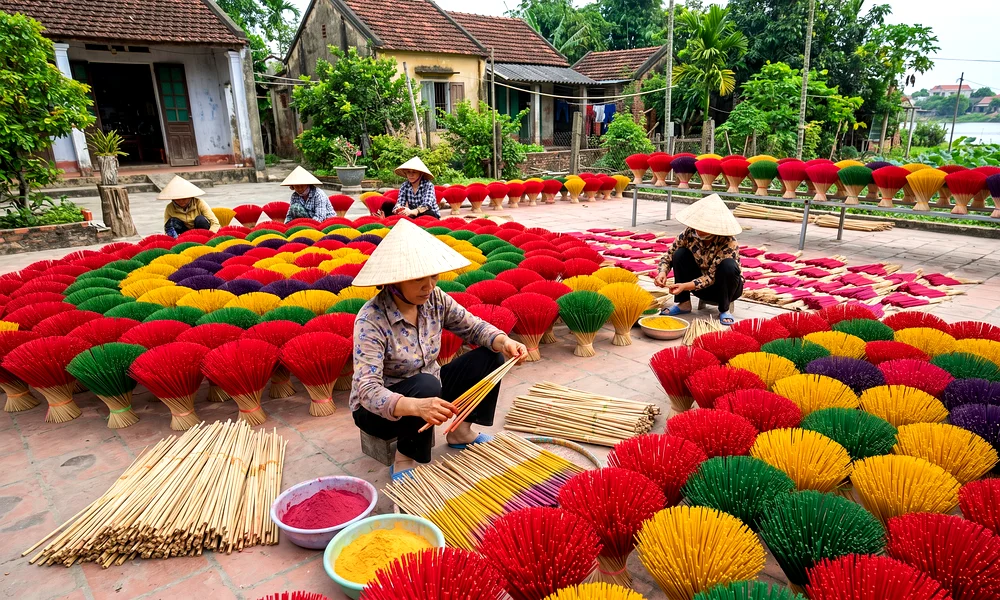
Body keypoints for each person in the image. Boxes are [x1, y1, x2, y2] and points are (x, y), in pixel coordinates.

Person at [350, 220, 528, 481]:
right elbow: (367, 389)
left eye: (433, 276)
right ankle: (404, 457)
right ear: (394, 281)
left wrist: (504, 342)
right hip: (378, 410)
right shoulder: (371, 319)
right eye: (418, 279)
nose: (429, 286)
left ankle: (460, 432)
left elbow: (473, 327)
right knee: (425, 385)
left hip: (430, 387)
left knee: (490, 356)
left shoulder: (436, 299)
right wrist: (414, 405)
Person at [654, 194, 744, 326]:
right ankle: (683, 303)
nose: (698, 229)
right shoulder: (689, 234)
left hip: (725, 288)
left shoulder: (729, 242)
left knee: (728, 266)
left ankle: (724, 309)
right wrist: (662, 272)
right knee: (680, 254)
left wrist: (685, 286)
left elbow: (711, 277)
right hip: (698, 288)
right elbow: (669, 255)